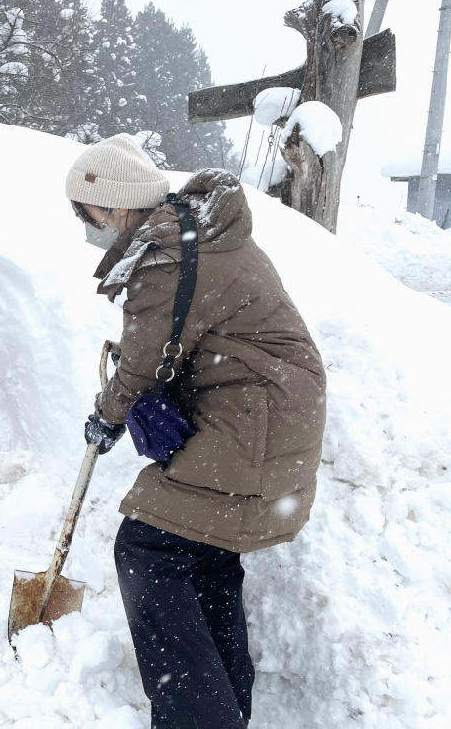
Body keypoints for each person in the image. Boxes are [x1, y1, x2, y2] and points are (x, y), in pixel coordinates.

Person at [65, 134, 327, 729]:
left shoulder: (168, 256)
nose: (87, 227)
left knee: (149, 547)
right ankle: (224, 710)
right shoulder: (191, 232)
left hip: (254, 421)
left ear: (113, 205)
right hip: (270, 411)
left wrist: (106, 419)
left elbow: (139, 365)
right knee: (200, 552)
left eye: (86, 215)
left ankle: (200, 717)